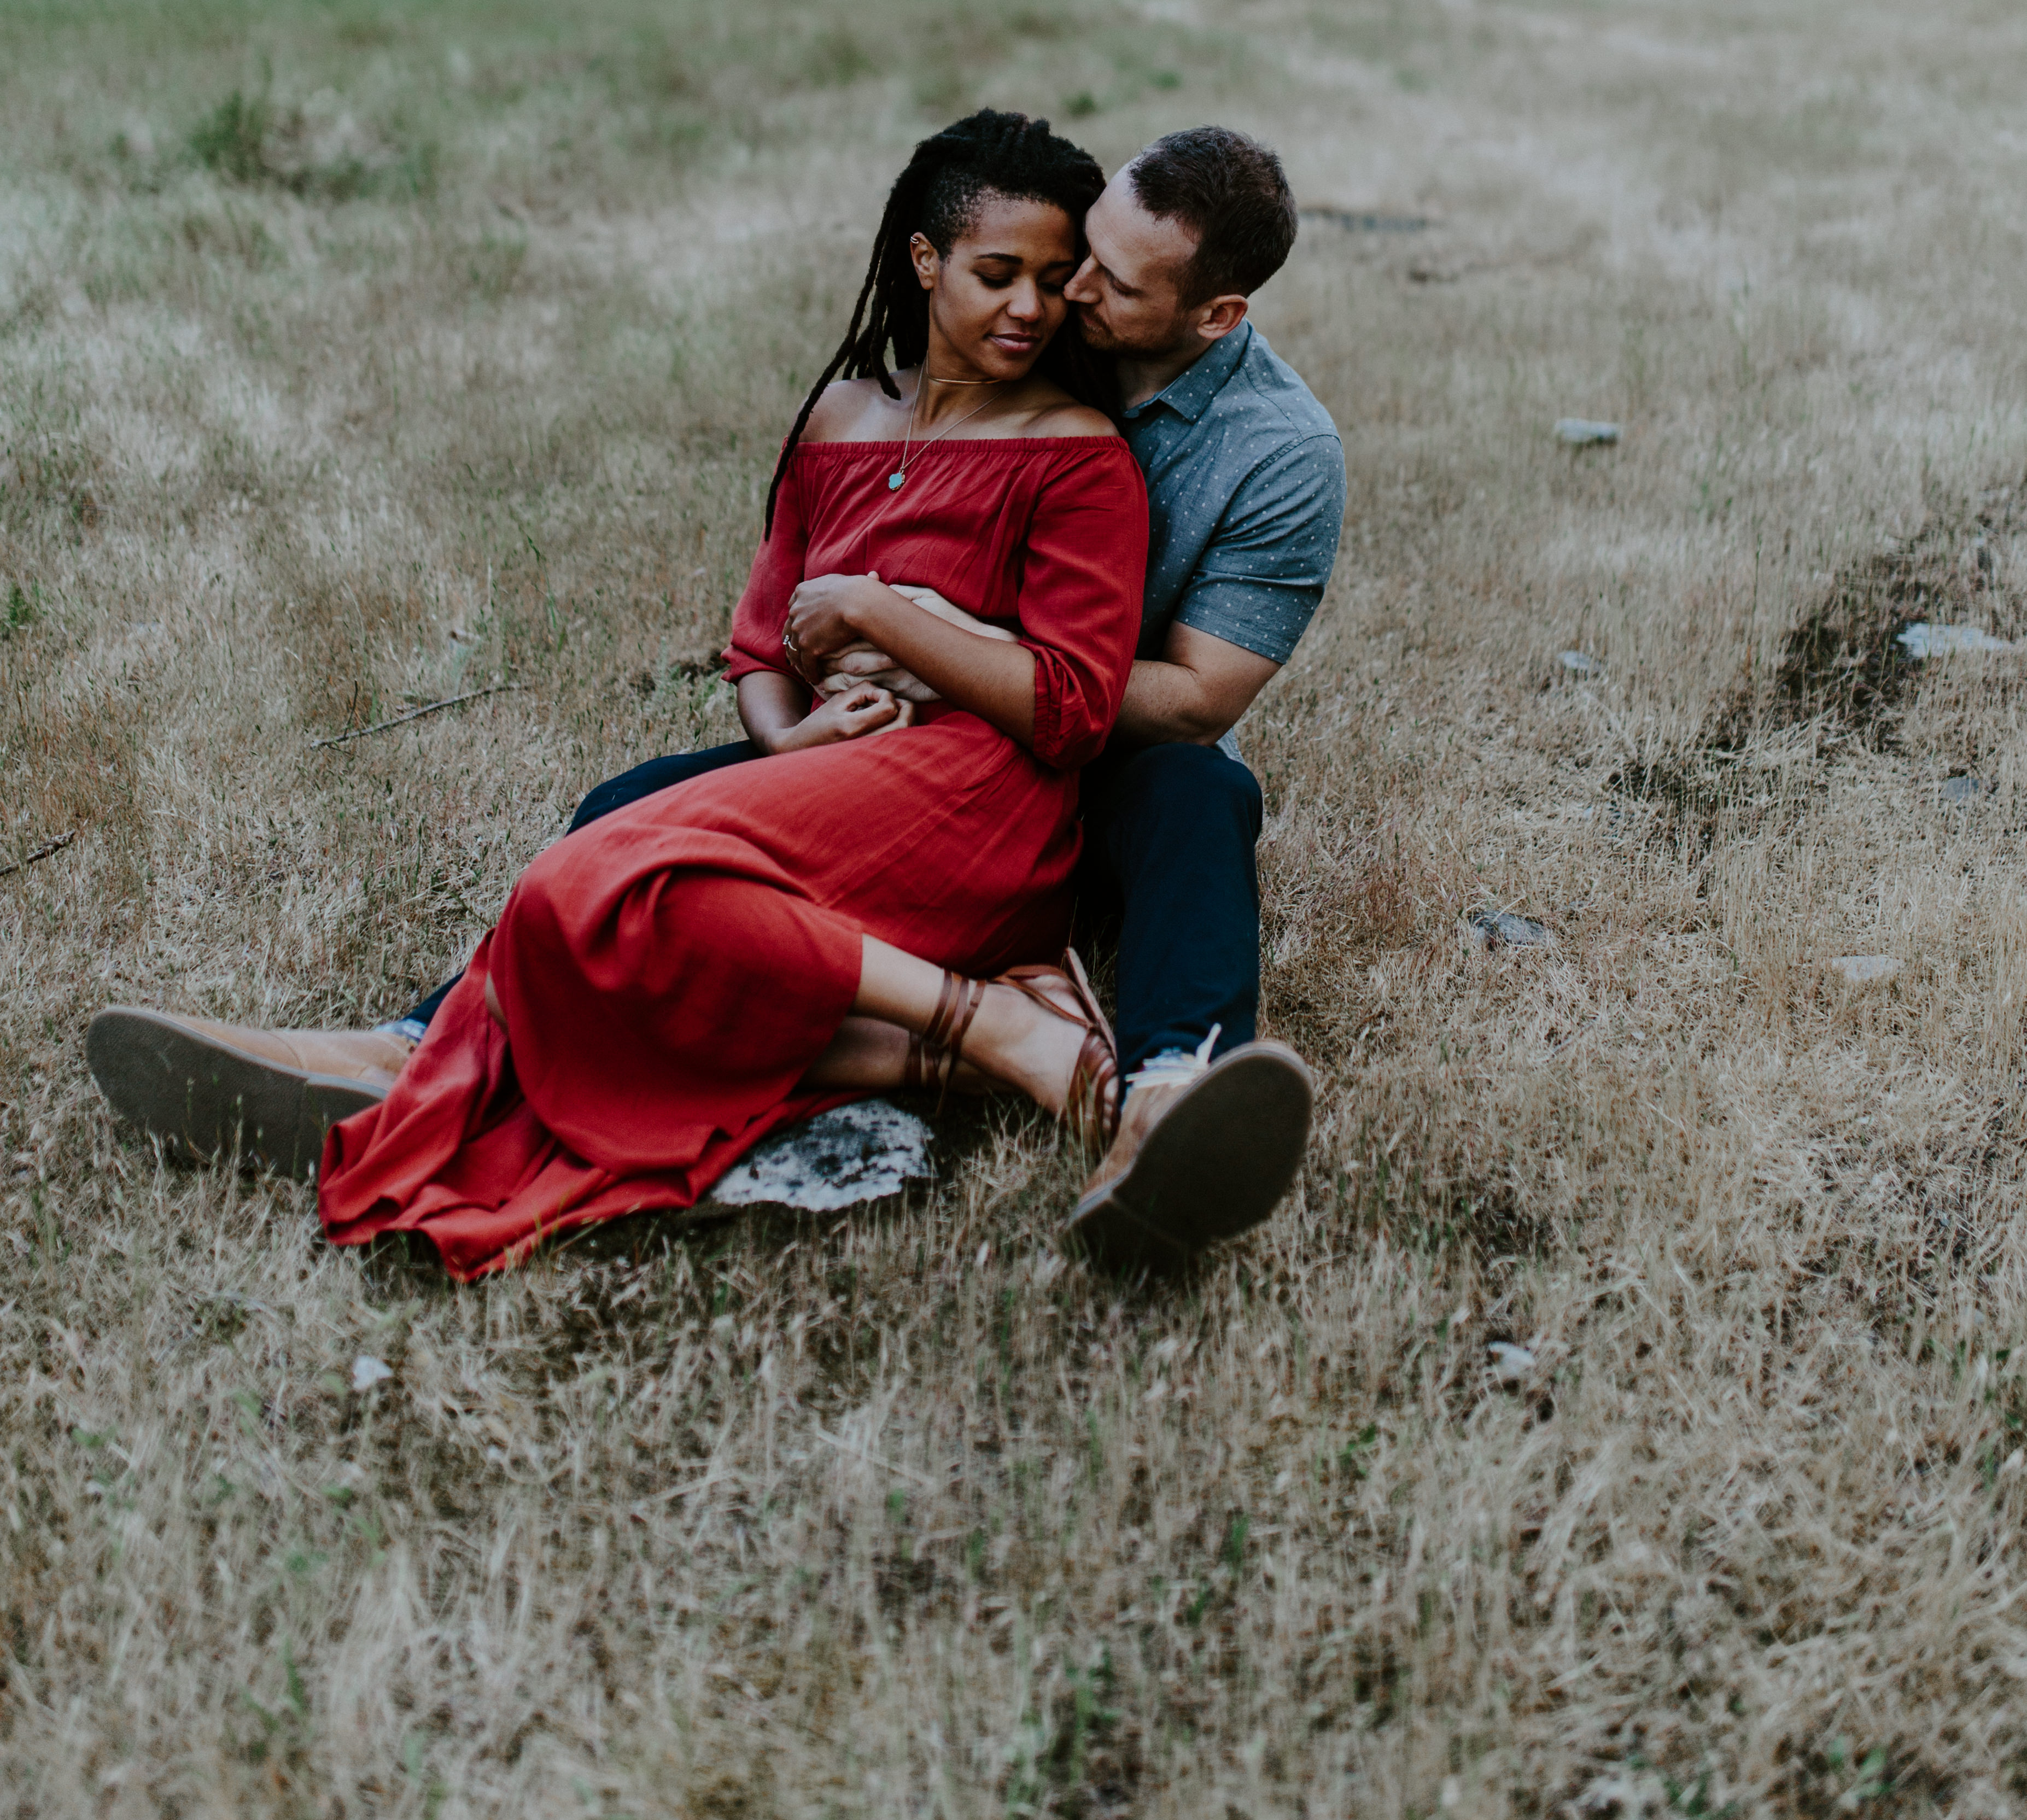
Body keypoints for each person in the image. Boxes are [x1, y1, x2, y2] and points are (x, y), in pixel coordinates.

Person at [90, 123, 1348, 1272]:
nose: (1062, 296)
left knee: (1196, 787)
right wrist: (803, 729)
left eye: (1102, 284)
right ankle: (429, 1044)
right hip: (878, 755)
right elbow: (772, 623)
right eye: (1052, 265)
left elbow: (1168, 699)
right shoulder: (971, 343)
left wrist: (926, 630)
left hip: (1077, 766)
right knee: (621, 816)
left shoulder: (1263, 450)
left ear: (1210, 313)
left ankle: (1167, 1091)